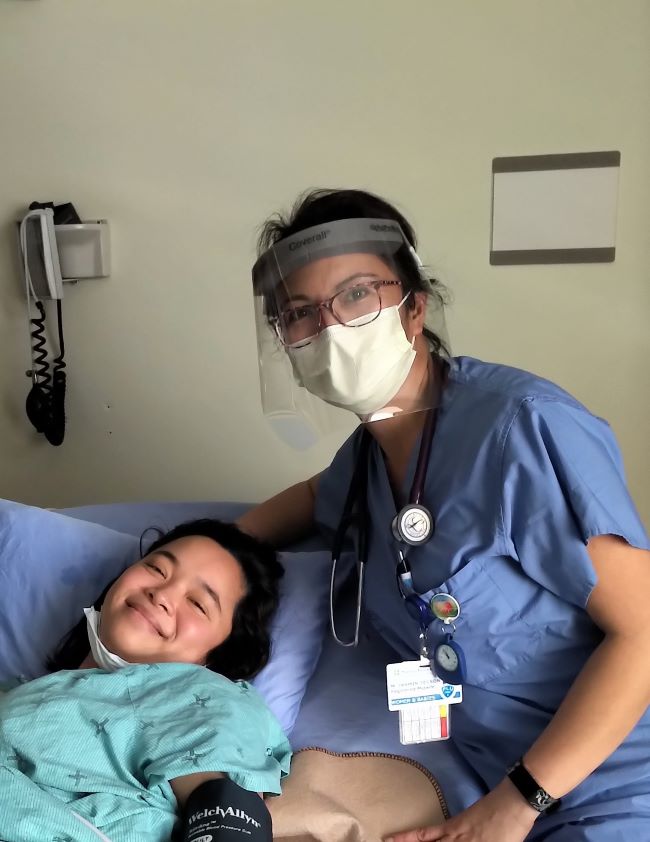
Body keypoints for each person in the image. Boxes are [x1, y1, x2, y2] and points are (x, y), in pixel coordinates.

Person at [238, 188, 650, 841]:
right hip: (492, 794)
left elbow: (644, 635)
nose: (329, 329)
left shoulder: (524, 431)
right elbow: (315, 496)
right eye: (300, 315)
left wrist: (513, 807)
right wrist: (205, 550)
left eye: (354, 296)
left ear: (414, 308)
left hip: (616, 786)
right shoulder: (362, 470)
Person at [0, 519, 291, 842]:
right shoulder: (22, 694)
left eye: (198, 603)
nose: (162, 594)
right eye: (157, 569)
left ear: (218, 657)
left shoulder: (197, 697)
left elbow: (224, 812)